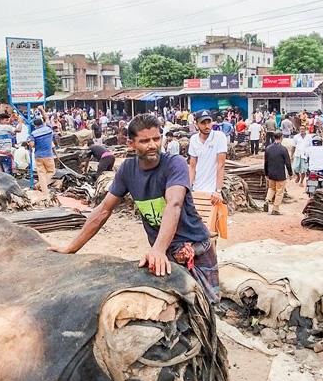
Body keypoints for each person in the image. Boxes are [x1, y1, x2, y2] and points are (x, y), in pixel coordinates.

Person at [51, 114, 219, 302]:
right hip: (163, 252)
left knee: (207, 307)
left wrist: (157, 249)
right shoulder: (127, 170)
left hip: (194, 248)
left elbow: (174, 204)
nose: (153, 145)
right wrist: (71, 248)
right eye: (145, 141)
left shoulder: (175, 164)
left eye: (156, 138)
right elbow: (103, 210)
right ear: (131, 144)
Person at [187, 112, 227, 206]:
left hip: (212, 192)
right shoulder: (194, 139)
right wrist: (188, 188)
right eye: (203, 123)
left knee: (213, 219)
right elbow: (192, 166)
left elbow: (220, 165)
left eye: (209, 122)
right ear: (197, 125)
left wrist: (218, 190)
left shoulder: (219, 137)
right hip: (197, 189)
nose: (207, 126)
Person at [263, 131, 292, 215]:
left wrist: (266, 173)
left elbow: (266, 162)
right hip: (280, 173)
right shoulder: (283, 149)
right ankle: (275, 208)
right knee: (279, 191)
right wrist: (290, 173)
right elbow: (288, 163)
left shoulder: (268, 148)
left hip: (271, 173)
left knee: (271, 188)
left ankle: (267, 200)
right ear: (281, 138)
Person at [27, 116, 56, 192]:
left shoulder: (33, 133)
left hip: (38, 155)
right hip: (48, 155)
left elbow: (32, 145)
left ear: (35, 125)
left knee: (41, 174)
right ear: (42, 123)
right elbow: (47, 118)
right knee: (51, 171)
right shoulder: (49, 129)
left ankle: (42, 188)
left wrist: (28, 142)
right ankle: (40, 186)